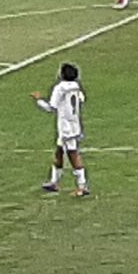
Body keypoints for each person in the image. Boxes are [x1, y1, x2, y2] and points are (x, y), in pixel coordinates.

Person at [31, 62, 89, 198]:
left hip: (66, 128)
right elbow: (81, 99)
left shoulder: (60, 88)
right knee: (58, 153)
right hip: (74, 124)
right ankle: (54, 182)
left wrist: (38, 100)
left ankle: (82, 186)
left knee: (72, 154)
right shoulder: (76, 86)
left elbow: (51, 107)